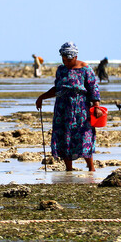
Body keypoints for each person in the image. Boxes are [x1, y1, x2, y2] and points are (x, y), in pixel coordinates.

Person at [35, 42, 101, 172]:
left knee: (84, 136)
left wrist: (96, 106)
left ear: (75, 57)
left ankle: (91, 168)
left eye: (68, 60)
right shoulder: (61, 70)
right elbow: (57, 88)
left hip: (81, 109)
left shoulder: (86, 69)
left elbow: (93, 89)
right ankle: (68, 169)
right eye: (63, 59)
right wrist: (42, 97)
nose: (66, 62)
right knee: (65, 137)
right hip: (62, 109)